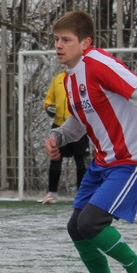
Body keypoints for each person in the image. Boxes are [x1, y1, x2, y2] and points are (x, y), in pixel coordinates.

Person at [44, 11, 137, 273]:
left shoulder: (99, 64)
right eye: (56, 40)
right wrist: (59, 137)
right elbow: (80, 120)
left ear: (85, 43)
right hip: (105, 162)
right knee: (77, 227)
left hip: (133, 158)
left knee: (91, 223)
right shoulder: (69, 79)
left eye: (66, 40)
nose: (58, 46)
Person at [39, 71, 89, 204]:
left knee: (80, 160)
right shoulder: (58, 79)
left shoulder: (83, 78)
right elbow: (49, 100)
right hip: (59, 125)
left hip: (79, 126)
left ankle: (81, 194)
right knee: (55, 158)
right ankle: (52, 194)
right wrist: (49, 107)